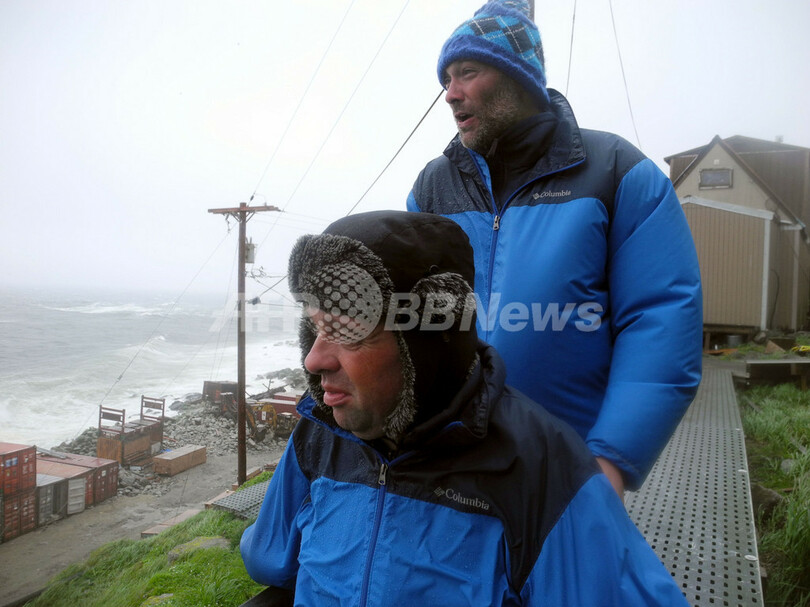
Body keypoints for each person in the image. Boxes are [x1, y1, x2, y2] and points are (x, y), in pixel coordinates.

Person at [240, 210, 689, 606]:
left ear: (427, 341)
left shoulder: (542, 466)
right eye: (316, 328)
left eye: (346, 331)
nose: (313, 360)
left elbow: (269, 554)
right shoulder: (320, 432)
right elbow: (268, 559)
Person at [407, 0, 703, 497]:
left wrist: (612, 461)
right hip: (451, 465)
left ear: (518, 76)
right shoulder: (432, 188)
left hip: (569, 472)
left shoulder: (616, 171)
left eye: (468, 73)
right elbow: (413, 319)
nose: (451, 94)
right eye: (447, 80)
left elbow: (660, 318)